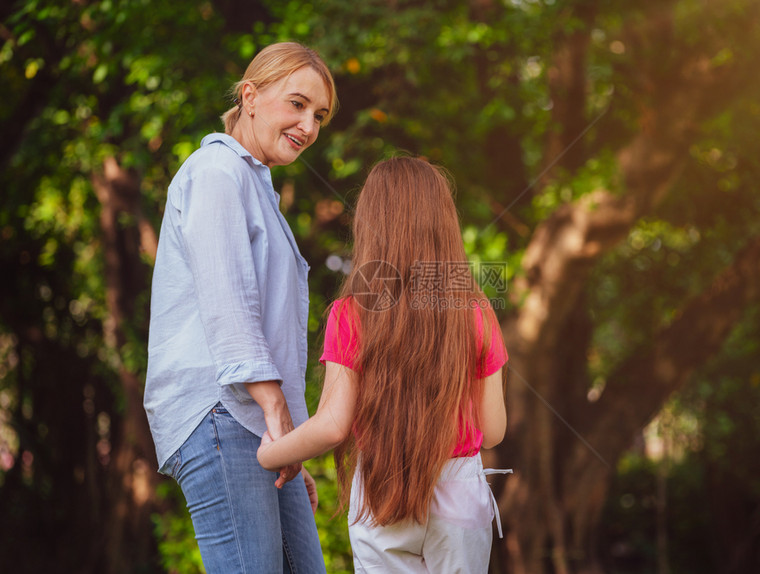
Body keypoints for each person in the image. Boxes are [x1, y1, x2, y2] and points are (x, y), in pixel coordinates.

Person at [256, 156, 511, 573]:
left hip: (382, 489)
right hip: (461, 494)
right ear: (445, 225)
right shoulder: (476, 310)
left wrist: (270, 456)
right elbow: (494, 431)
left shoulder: (351, 313)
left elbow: (333, 425)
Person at [144, 42, 337, 573]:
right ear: (250, 95)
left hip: (257, 422)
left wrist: (288, 434)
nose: (309, 125)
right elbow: (229, 304)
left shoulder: (255, 185)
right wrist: (279, 418)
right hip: (220, 413)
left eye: (318, 115)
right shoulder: (216, 171)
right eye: (297, 104)